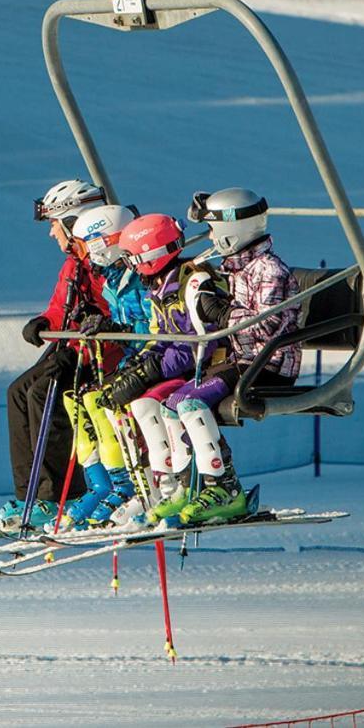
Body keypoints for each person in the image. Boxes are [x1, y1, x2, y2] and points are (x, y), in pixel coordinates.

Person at [0, 179, 113, 530]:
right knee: (17, 393)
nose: (52, 234)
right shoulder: (74, 264)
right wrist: (43, 322)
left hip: (100, 352)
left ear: (73, 221)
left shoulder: (105, 258)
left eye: (55, 224)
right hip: (71, 346)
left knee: (45, 393)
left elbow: (122, 304)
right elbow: (60, 307)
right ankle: (30, 495)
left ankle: (56, 497)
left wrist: (100, 320)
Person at [162, 187, 302, 525]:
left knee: (192, 405)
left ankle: (224, 487)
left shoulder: (270, 270)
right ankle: (186, 486)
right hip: (244, 361)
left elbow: (270, 325)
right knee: (172, 402)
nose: (210, 236)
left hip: (269, 365)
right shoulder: (235, 269)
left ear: (230, 232)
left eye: (213, 229)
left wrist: (223, 313)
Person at [97, 213, 228, 525]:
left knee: (170, 404)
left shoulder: (193, 283)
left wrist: (153, 370)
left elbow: (200, 343)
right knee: (139, 404)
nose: (129, 266)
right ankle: (163, 488)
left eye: (132, 259)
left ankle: (191, 485)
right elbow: (159, 338)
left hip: (206, 368)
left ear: (150, 256)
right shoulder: (159, 290)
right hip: (182, 369)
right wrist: (137, 368)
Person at [56, 203, 148, 529]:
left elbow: (150, 325)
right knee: (82, 399)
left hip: (150, 359)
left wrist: (118, 331)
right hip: (132, 358)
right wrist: (103, 322)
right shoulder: (112, 280)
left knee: (109, 399)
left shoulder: (139, 277)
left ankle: (130, 484)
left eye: (88, 245)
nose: (85, 254)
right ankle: (104, 484)